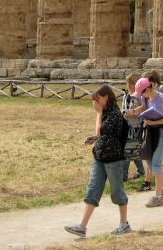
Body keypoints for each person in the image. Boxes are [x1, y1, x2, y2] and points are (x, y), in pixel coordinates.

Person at [64, 85, 131, 238]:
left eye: (97, 98)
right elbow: (100, 134)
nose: (96, 102)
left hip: (113, 159)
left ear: (106, 97)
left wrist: (99, 114)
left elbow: (101, 131)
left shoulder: (114, 114)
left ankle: (124, 224)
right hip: (100, 157)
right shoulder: (106, 112)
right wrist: (94, 138)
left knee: (117, 191)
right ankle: (82, 227)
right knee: (93, 189)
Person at [124, 77, 163, 207]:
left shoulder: (161, 98)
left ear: (147, 89)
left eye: (142, 93)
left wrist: (153, 122)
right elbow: (143, 107)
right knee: (149, 160)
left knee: (157, 164)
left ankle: (158, 197)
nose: (141, 96)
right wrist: (133, 111)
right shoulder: (145, 97)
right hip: (151, 133)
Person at [122, 73, 146, 182]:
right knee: (133, 150)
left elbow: (144, 110)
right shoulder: (126, 96)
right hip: (127, 126)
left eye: (131, 83)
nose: (129, 86)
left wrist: (134, 113)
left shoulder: (141, 97)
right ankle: (141, 170)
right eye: (128, 83)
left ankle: (123, 176)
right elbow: (123, 109)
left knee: (128, 151)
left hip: (136, 127)